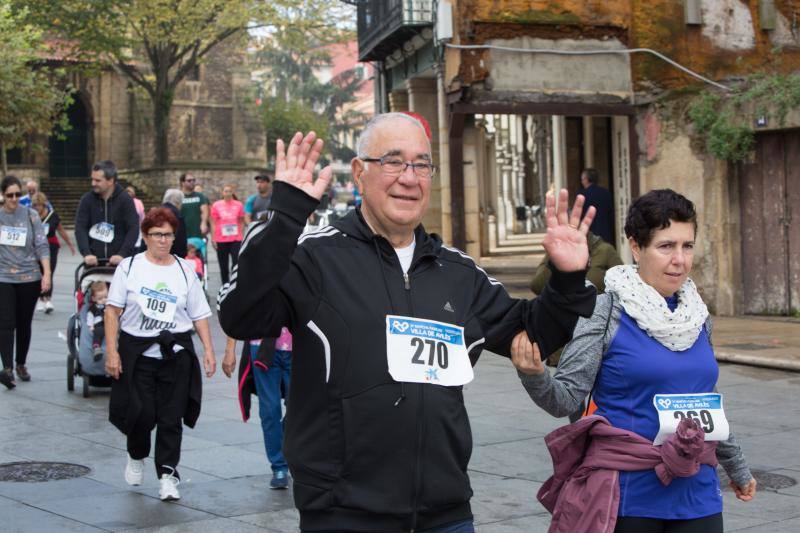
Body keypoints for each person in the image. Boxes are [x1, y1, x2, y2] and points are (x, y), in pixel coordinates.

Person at [218, 113, 597, 532]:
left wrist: (566, 278)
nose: (409, 177)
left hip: (446, 512)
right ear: (360, 173)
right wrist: (286, 215)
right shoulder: (314, 258)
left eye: (421, 164)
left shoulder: (457, 272)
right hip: (344, 513)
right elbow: (240, 314)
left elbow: (532, 335)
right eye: (394, 162)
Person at [511, 189, 757, 533]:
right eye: (666, 246)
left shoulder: (697, 315)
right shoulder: (605, 311)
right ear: (636, 247)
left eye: (687, 246)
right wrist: (535, 375)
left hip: (697, 490)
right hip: (629, 496)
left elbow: (705, 401)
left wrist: (737, 468)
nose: (680, 259)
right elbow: (565, 399)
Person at [104, 207, 216, 501]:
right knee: (140, 414)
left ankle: (168, 474)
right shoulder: (128, 268)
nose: (163, 240)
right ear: (145, 236)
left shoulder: (184, 269)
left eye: (168, 235)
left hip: (175, 353)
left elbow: (200, 314)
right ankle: (136, 453)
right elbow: (112, 311)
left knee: (170, 418)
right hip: (138, 352)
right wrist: (112, 352)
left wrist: (208, 351)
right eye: (157, 235)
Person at [530, 230, 623, 422]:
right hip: (566, 328)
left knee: (600, 386)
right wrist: (556, 262)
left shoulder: (605, 251)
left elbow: (623, 285)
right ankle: (580, 432)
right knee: (573, 392)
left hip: (598, 329)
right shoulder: (556, 251)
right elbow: (537, 285)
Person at [222, 327, 292, 490]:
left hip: (300, 345)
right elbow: (239, 309)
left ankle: (287, 450)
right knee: (270, 409)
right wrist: (229, 350)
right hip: (261, 345)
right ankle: (279, 466)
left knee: (300, 409)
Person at [0, 176, 51, 388]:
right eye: (10, 195)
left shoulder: (31, 216)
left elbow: (42, 245)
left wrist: (46, 273)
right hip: (3, 276)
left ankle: (21, 363)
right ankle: (8, 369)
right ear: (3, 195)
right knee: (5, 322)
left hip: (30, 276)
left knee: (23, 323)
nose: (14, 199)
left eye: (17, 195)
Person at [75, 160, 139, 266]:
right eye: (92, 179)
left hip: (120, 263)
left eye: (98, 180)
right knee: (95, 282)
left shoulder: (125, 200)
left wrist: (122, 254)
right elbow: (80, 227)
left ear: (110, 181)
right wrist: (86, 253)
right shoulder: (87, 200)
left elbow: (133, 228)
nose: (93, 183)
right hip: (94, 263)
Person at [32, 192, 76, 314]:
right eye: (34, 205)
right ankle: (41, 298)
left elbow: (61, 231)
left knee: (49, 272)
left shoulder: (52, 215)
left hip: (51, 247)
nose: (36, 208)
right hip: (36, 248)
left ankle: (48, 299)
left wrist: (70, 245)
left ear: (43, 204)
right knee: (39, 273)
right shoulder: (32, 216)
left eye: (38, 205)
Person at [209, 184, 244, 286]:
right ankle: (225, 284)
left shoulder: (238, 205)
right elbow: (213, 223)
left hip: (236, 238)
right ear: (222, 193)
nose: (228, 193)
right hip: (221, 239)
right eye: (225, 191)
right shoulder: (216, 205)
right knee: (223, 264)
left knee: (236, 262)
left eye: (229, 191)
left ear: (232, 192)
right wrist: (213, 238)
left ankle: (235, 283)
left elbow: (241, 221)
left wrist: (241, 234)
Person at [578, 168, 615, 246]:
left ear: (587, 180)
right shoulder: (606, 193)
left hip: (589, 235)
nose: (582, 182)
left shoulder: (582, 195)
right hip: (606, 233)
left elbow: (579, 217)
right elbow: (611, 215)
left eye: (582, 179)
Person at [178, 173, 209, 240]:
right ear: (182, 183)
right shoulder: (178, 196)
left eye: (193, 180)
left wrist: (204, 223)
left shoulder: (200, 196)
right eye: (189, 181)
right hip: (181, 233)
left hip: (198, 232)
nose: (192, 182)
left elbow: (204, 211)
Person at [162, 189, 188, 258]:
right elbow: (180, 240)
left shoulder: (155, 213)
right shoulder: (177, 215)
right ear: (178, 201)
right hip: (172, 255)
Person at [87, 281, 108, 361]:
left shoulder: (110, 305)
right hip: (98, 325)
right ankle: (96, 347)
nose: (103, 300)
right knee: (98, 332)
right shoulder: (93, 308)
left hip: (110, 324)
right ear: (93, 298)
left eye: (105, 297)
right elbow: (90, 316)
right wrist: (90, 325)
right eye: (100, 298)